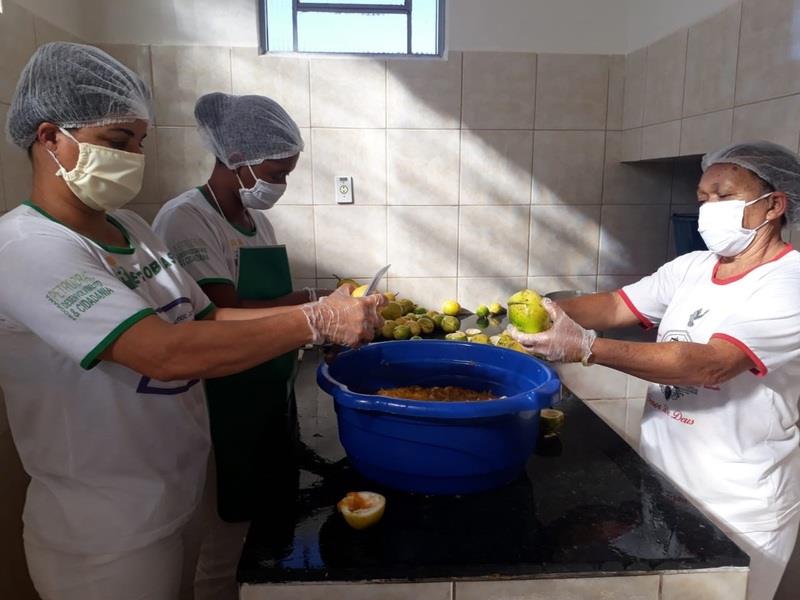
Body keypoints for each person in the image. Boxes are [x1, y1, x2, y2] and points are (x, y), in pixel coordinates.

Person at [0, 42, 383, 600]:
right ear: (49, 136)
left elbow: (212, 315)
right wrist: (316, 322)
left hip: (180, 489)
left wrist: (316, 313)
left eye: (139, 141)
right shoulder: (27, 247)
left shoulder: (132, 227)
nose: (134, 155)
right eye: (116, 141)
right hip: (106, 532)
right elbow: (163, 351)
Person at [510, 140, 800, 600]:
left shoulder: (789, 283)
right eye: (702, 199)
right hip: (664, 481)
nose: (708, 210)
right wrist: (544, 312)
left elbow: (711, 364)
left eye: (722, 197)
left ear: (774, 206)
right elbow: (613, 305)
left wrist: (585, 347)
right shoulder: (693, 267)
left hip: (737, 500)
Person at [151, 92, 324, 600]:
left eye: (287, 174)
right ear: (238, 162)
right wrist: (319, 313)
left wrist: (323, 305)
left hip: (268, 388)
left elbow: (271, 301)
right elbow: (221, 311)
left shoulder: (257, 221)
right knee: (225, 533)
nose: (280, 185)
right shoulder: (186, 218)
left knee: (263, 525)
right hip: (220, 398)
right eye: (275, 172)